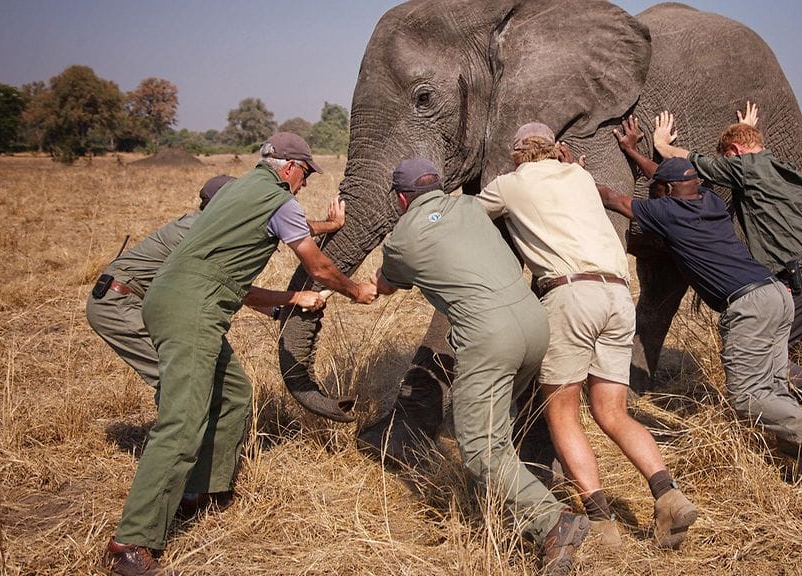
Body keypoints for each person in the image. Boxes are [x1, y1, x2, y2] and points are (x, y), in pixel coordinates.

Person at [104, 132, 378, 576]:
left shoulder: (242, 189)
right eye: (306, 174)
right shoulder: (277, 198)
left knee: (233, 393)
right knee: (182, 422)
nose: (306, 182)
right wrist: (355, 289)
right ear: (289, 167)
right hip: (193, 307)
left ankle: (202, 491)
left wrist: (331, 226)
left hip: (176, 297)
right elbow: (318, 266)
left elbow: (294, 227)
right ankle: (131, 542)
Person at [476, 122, 697, 550]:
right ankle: (668, 495)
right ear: (554, 149)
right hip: (618, 295)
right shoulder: (579, 175)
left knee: (562, 414)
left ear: (517, 153)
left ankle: (600, 523)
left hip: (570, 294)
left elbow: (469, 217)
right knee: (613, 412)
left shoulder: (510, 184)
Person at [373, 158, 588, 576]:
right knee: (495, 428)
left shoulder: (402, 238)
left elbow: (387, 282)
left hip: (489, 336)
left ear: (401, 199)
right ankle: (495, 517)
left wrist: (368, 283)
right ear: (438, 185)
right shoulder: (471, 206)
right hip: (534, 322)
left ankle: (552, 522)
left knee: (479, 447)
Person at [599, 153, 802, 484]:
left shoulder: (667, 211)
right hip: (776, 294)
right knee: (774, 387)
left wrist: (573, 172)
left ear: (667, 190)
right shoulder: (709, 199)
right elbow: (672, 178)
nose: (655, 194)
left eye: (658, 189)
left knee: (746, 396)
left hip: (748, 304)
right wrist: (637, 152)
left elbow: (613, 199)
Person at [647, 104, 802, 423]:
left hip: (799, 283)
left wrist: (663, 146)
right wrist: (746, 131)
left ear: (735, 152)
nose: (728, 165)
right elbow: (750, 154)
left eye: (728, 158)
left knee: (761, 358)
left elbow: (696, 162)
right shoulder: (786, 171)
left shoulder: (746, 168)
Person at [86, 174, 338, 395]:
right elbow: (241, 291)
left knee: (191, 379)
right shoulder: (198, 235)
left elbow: (233, 284)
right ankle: (176, 435)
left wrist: (331, 225)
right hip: (118, 302)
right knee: (178, 380)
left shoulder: (210, 229)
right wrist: (295, 298)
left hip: (138, 300)